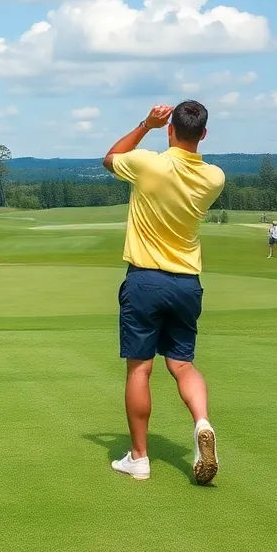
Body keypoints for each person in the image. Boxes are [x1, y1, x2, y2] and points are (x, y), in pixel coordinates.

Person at [103, 101, 226, 485]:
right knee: (183, 365)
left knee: (140, 368)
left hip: (145, 280)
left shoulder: (147, 163)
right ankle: (202, 422)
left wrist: (146, 125)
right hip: (187, 283)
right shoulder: (214, 177)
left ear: (170, 127)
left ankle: (139, 459)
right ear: (203, 134)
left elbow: (110, 158)